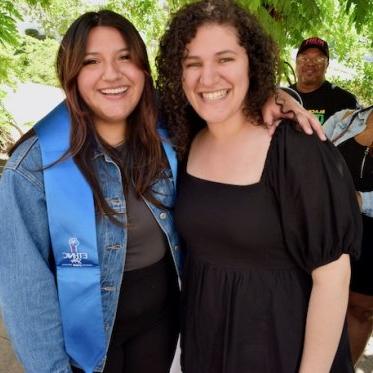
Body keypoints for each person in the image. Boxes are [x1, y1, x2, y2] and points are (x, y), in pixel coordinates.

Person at [0, 8, 323, 373]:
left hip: (161, 331)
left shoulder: (169, 132)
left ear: (143, 69)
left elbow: (223, 95)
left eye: (125, 57)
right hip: (86, 347)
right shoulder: (34, 169)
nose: (112, 73)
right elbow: (26, 296)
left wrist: (277, 96)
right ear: (71, 73)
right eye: (92, 61)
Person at [156, 1, 362, 372]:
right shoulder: (186, 138)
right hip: (205, 346)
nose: (208, 77)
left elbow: (333, 277)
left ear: (252, 62)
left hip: (279, 350)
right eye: (192, 63)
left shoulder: (295, 148)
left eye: (225, 59)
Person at [324, 106, 373, 364]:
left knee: (359, 310)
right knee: (315, 298)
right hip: (329, 227)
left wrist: (359, 199)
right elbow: (311, 155)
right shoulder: (347, 118)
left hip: (370, 239)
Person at [290, 37, 358, 124]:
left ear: (327, 65)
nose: (310, 63)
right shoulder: (283, 96)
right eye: (304, 58)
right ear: (296, 62)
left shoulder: (345, 101)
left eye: (318, 59)